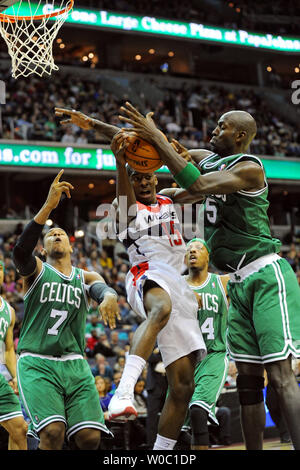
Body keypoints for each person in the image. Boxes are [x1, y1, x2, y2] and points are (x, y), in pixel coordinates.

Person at [118, 102, 300, 450]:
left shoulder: (250, 169)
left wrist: (155, 136)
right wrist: (100, 128)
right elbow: (155, 149)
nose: (213, 130)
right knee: (247, 383)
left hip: (264, 271)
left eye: (221, 126)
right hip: (236, 280)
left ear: (240, 135)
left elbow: (198, 184)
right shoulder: (207, 156)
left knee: (279, 376)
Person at [55, 107, 206, 451]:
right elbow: (126, 154)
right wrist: (122, 162)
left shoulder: (169, 199)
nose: (143, 181)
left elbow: (196, 186)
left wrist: (94, 124)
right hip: (146, 275)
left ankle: (161, 453)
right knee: (160, 307)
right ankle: (123, 392)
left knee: (183, 386)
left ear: (155, 175)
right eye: (137, 177)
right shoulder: (125, 210)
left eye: (146, 175)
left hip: (179, 283)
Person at [12, 171, 120, 451]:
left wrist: (109, 295)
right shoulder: (37, 270)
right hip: (38, 361)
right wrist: (48, 207)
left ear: (72, 246)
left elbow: (101, 290)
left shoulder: (86, 276)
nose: (56, 234)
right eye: (51, 235)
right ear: (44, 249)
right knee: (52, 432)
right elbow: (21, 252)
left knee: (89, 438)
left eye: (61, 233)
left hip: (74, 362)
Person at [183, 237, 230, 450]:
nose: (193, 251)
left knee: (198, 411)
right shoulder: (177, 287)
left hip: (213, 355)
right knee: (178, 429)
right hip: (185, 361)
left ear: (208, 256)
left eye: (198, 248)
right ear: (184, 258)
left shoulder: (222, 283)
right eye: (189, 249)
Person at [0, 261, 28, 450]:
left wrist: (16, 375)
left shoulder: (8, 310)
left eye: (0, 268)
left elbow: (9, 349)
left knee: (19, 429)